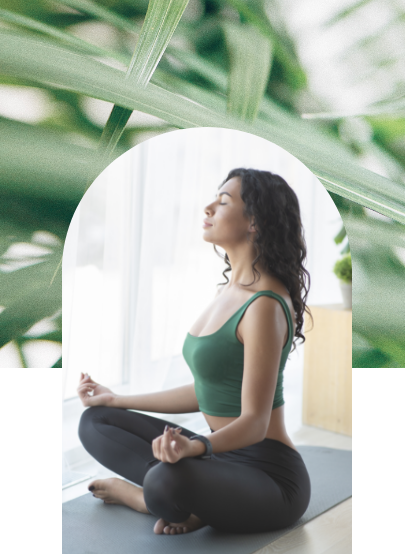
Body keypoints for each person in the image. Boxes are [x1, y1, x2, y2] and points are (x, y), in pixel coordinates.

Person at [77, 168, 313, 536]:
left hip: (270, 476)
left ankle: (146, 498)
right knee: (96, 421)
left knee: (163, 482)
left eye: (222, 202)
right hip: (218, 457)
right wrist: (117, 398)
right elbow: (206, 390)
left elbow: (255, 422)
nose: (207, 208)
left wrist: (196, 447)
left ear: (255, 221)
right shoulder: (228, 291)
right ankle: (193, 501)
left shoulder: (265, 305)